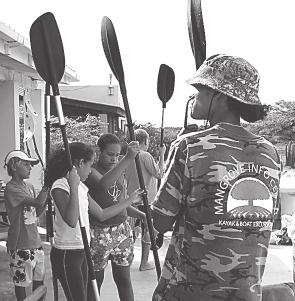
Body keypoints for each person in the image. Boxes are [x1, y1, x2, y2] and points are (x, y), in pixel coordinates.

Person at [151, 54, 281, 301]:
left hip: (190, 292)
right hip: (246, 294)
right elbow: (266, 224)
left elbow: (160, 222)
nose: (193, 98)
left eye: (199, 90)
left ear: (219, 96)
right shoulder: (271, 153)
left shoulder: (189, 146)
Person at [44, 141, 142, 301]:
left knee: (84, 294)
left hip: (82, 249)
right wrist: (73, 186)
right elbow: (71, 219)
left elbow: (102, 214)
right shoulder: (60, 186)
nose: (90, 171)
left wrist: (130, 200)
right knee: (77, 297)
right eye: (89, 166)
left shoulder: (82, 187)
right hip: (66, 252)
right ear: (80, 163)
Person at [85, 133, 147, 301]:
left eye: (117, 155)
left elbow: (121, 203)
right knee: (96, 281)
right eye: (110, 154)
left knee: (124, 279)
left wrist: (142, 215)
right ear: (99, 152)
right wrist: (126, 159)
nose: (114, 159)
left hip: (122, 230)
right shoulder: (90, 171)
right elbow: (104, 185)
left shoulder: (119, 170)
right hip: (99, 232)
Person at [4, 150, 48, 301]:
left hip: (36, 242)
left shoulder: (28, 186)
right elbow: (37, 202)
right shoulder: (11, 188)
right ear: (14, 166)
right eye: (26, 164)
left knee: (39, 281)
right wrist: (47, 186)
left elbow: (38, 210)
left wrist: (46, 194)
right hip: (20, 245)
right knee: (21, 282)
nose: (30, 168)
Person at [125, 128, 166, 271]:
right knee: (149, 229)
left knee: (132, 230)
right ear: (145, 141)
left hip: (131, 199)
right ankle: (144, 263)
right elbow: (159, 174)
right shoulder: (145, 155)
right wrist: (162, 154)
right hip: (146, 199)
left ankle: (127, 260)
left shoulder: (128, 156)